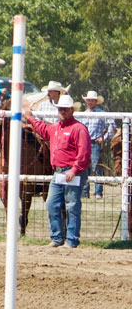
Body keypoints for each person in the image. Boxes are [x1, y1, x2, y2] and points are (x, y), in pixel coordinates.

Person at [24, 95, 91, 248]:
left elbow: (84, 153)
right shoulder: (55, 128)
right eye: (60, 109)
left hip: (71, 172)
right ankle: (57, 238)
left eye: (65, 109)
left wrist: (74, 170)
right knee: (52, 204)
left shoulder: (79, 129)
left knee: (72, 206)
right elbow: (42, 129)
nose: (62, 111)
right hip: (59, 173)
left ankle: (71, 240)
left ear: (71, 110)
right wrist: (31, 118)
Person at [78, 90, 116, 200]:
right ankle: (85, 192)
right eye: (88, 100)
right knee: (84, 168)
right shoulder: (82, 115)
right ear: (86, 101)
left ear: (96, 101)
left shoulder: (101, 113)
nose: (90, 102)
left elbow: (112, 125)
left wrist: (104, 137)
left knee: (97, 167)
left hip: (95, 143)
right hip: (84, 143)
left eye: (92, 100)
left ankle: (98, 192)